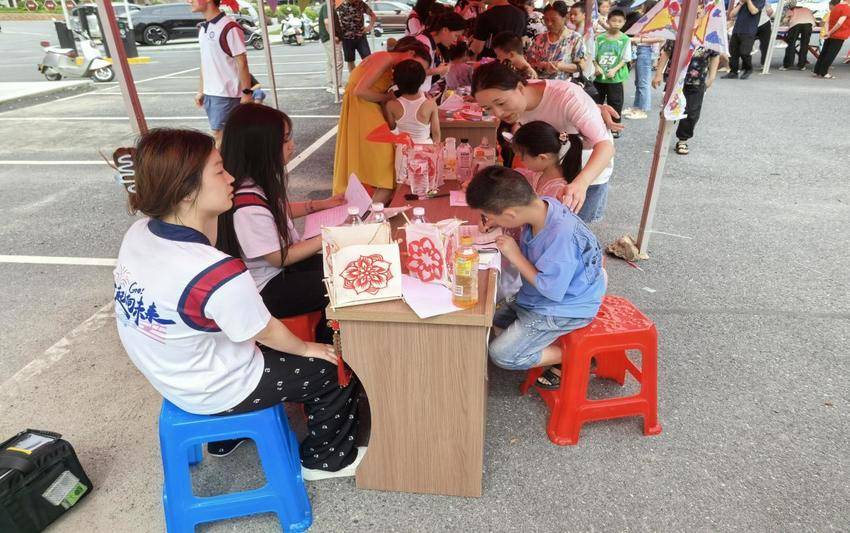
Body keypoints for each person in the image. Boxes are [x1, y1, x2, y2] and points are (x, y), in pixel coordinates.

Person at [113, 128, 364, 479]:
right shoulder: (212, 270)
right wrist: (310, 348)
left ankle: (226, 436)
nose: (230, 177)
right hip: (212, 387)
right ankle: (324, 460)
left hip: (171, 373)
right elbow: (267, 330)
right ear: (186, 191)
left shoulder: (140, 233)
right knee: (335, 370)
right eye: (219, 170)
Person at [465, 166, 605, 389]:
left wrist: (515, 255)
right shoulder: (542, 206)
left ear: (510, 214)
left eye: (488, 216)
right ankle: (538, 341)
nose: (487, 220)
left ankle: (577, 356)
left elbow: (551, 290)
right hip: (542, 296)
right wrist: (497, 221)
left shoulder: (560, 237)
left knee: (501, 355)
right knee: (491, 318)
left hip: (564, 307)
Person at [218, 103, 345, 323]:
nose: (292, 145)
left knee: (343, 263)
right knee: (344, 280)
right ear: (260, 146)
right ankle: (330, 342)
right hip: (268, 288)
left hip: (280, 271)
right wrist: (329, 236)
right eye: (285, 140)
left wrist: (320, 205)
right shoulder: (246, 205)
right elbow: (280, 257)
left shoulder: (251, 182)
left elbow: (275, 210)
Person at [471, 61, 617, 216]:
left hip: (587, 172)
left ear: (520, 88)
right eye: (488, 109)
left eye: (501, 103)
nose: (498, 113)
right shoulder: (516, 101)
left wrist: (581, 183)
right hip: (549, 172)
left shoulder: (567, 97)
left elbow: (605, 147)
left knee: (574, 230)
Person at [333, 37, 432, 204]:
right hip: (364, 108)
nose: (414, 69)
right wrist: (387, 97)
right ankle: (369, 217)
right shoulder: (384, 58)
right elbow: (360, 91)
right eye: (417, 65)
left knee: (384, 165)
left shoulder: (388, 62)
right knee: (386, 164)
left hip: (368, 108)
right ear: (411, 53)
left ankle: (369, 213)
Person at [512, 120, 611, 223]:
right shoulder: (539, 172)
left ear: (542, 158)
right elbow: (522, 175)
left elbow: (549, 228)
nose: (521, 162)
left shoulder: (560, 193)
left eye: (521, 158)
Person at [190, 0, 253, 145]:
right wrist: (201, 90)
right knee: (227, 137)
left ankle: (222, 167)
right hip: (212, 94)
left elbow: (242, 62)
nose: (189, 1)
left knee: (221, 136)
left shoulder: (229, 27)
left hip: (226, 94)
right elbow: (205, 62)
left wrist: (246, 93)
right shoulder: (203, 29)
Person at [653, 39, 719, 155]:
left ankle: (683, 140)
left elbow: (715, 55)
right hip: (675, 79)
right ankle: (663, 136)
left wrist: (712, 77)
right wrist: (658, 74)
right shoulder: (679, 32)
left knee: (692, 112)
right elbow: (666, 53)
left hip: (697, 81)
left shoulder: (709, 35)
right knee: (669, 108)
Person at [592, 9, 631, 137]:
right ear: (608, 21)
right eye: (613, 20)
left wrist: (614, 70)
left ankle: (615, 126)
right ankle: (595, 124)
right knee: (596, 101)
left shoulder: (625, 39)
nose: (616, 23)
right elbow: (593, 56)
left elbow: (626, 58)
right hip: (599, 77)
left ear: (624, 22)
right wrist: (596, 67)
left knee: (615, 102)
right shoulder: (599, 38)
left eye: (620, 21)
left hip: (615, 77)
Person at [622, 2, 664, 120]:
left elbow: (659, 39)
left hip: (646, 50)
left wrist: (637, 39)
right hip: (641, 49)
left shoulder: (654, 22)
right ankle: (637, 106)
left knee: (643, 83)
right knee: (639, 82)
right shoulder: (648, 20)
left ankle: (643, 109)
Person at [526, 1, 586, 80]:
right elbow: (529, 63)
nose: (549, 23)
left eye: (554, 20)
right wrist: (542, 65)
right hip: (541, 86)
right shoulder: (540, 38)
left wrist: (560, 66)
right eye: (546, 20)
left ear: (565, 18)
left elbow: (581, 66)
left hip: (563, 87)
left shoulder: (575, 38)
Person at [385, 60, 441, 144]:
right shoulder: (431, 104)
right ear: (422, 80)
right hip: (425, 149)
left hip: (403, 150)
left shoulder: (390, 105)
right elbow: (436, 134)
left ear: (396, 81)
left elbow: (392, 128)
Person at [414, 11, 468, 93]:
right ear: (445, 30)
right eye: (455, 35)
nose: (455, 40)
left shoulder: (431, 43)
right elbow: (412, 73)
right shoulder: (423, 43)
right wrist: (438, 70)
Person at [723, 0, 766, 79]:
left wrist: (748, 1)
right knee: (733, 52)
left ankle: (748, 69)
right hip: (737, 29)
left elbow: (753, 11)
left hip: (749, 30)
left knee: (745, 52)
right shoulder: (741, 2)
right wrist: (740, 4)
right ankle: (733, 72)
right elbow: (732, 14)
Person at [813, 0, 850, 78]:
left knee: (824, 52)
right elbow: (840, 23)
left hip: (830, 34)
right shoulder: (846, 8)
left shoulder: (836, 7)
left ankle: (817, 70)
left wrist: (828, 32)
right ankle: (824, 72)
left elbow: (827, 21)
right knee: (831, 54)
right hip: (839, 34)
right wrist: (830, 32)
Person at [337, 0, 376, 72]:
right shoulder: (341, 5)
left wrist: (369, 27)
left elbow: (373, 15)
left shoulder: (361, 4)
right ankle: (353, 78)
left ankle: (367, 77)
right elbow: (332, 17)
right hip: (347, 38)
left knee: (368, 58)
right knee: (350, 60)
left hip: (360, 37)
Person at [779, 0, 815, 71]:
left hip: (796, 24)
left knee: (791, 43)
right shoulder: (807, 10)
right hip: (808, 25)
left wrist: (786, 21)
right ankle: (802, 65)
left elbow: (785, 20)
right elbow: (814, 20)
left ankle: (787, 65)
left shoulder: (792, 10)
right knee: (804, 44)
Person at [319, 0, 345, 94]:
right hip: (331, 39)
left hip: (328, 38)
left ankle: (331, 84)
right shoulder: (328, 5)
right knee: (337, 62)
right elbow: (327, 22)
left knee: (330, 61)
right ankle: (337, 86)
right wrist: (333, 36)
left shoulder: (327, 5)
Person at [754, 3, 775, 67]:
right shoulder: (765, 1)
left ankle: (745, 64)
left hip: (751, 23)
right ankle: (764, 64)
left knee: (746, 43)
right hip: (764, 22)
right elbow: (770, 11)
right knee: (765, 45)